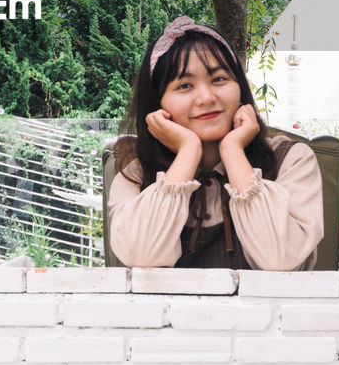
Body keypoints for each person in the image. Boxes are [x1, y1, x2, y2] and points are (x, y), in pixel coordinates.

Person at [107, 16, 324, 270]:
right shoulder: (134, 173)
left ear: (240, 88)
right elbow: (143, 257)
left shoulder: (292, 160)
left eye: (219, 79)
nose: (207, 97)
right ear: (158, 103)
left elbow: (280, 261)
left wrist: (232, 150)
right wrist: (188, 150)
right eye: (185, 85)